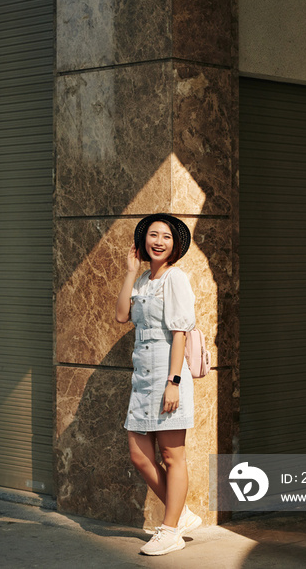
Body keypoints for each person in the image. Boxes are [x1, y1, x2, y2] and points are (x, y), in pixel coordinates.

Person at [115, 213, 202, 556]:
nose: (159, 241)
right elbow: (122, 316)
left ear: (174, 244)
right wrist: (130, 271)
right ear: (143, 242)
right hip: (142, 377)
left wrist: (174, 382)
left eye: (166, 236)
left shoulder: (175, 278)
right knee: (139, 454)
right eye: (153, 235)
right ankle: (181, 515)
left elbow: (179, 332)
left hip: (167, 376)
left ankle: (170, 529)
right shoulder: (143, 282)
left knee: (171, 454)